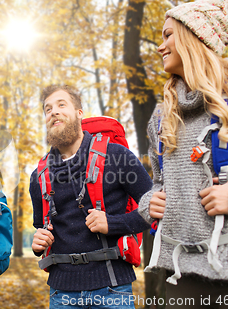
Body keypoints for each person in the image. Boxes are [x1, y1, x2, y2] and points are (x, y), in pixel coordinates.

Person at [138, 0, 228, 307]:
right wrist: (151, 201)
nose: (161, 46)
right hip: (180, 279)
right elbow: (159, 182)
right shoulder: (161, 117)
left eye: (168, 35)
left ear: (196, 36)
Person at [30, 85, 152, 308]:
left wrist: (113, 223)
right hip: (61, 293)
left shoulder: (117, 156)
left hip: (112, 289)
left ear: (79, 113)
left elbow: (154, 206)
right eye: (47, 109)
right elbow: (41, 227)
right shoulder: (38, 175)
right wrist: (38, 244)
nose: (53, 112)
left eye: (61, 105)